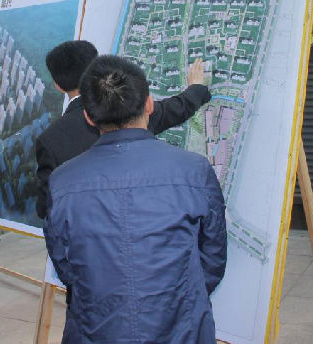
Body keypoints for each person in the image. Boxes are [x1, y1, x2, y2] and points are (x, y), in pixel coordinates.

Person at [45, 54, 227, 343]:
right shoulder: (194, 170)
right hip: (182, 329)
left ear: (88, 116)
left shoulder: (62, 181)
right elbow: (213, 255)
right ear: (150, 105)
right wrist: (182, 298)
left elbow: (65, 264)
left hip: (95, 329)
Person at [35, 39, 211, 219]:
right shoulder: (128, 107)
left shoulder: (50, 141)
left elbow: (46, 208)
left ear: (58, 85)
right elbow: (175, 109)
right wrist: (196, 88)